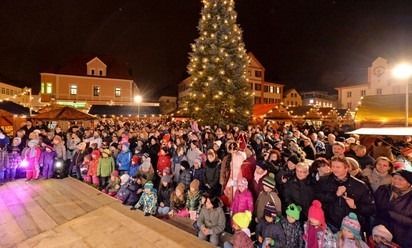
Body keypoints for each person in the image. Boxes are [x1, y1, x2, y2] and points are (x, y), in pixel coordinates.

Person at [316, 156, 376, 233]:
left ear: (346, 168)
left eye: (338, 167)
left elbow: (371, 208)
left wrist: (355, 206)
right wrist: (335, 195)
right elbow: (318, 199)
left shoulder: (360, 185)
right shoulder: (323, 181)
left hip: (351, 227)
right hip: (329, 224)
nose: (334, 169)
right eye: (333, 166)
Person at [374, 170, 412, 247]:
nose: (396, 181)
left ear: (409, 183)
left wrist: (391, 214)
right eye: (395, 178)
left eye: (400, 179)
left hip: (402, 235)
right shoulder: (383, 189)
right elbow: (373, 206)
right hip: (380, 231)